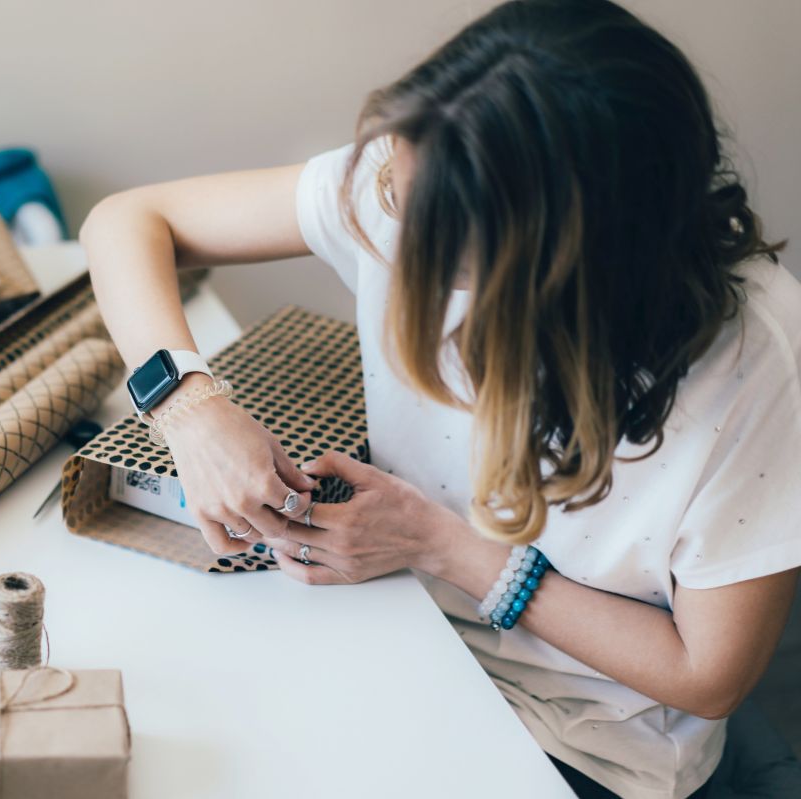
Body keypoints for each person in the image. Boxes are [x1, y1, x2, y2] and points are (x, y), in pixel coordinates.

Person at [79, 1, 801, 797]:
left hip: (591, 744)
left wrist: (443, 546)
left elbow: (708, 675)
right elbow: (128, 221)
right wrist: (191, 406)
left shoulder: (752, 357)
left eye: (438, 241)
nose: (392, 231)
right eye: (394, 188)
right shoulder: (403, 183)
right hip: (392, 625)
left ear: (563, 264)